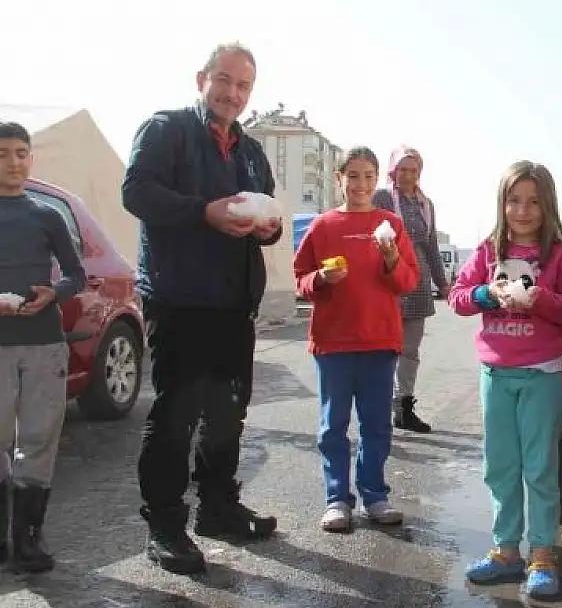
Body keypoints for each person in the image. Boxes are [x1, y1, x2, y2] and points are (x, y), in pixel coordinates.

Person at [121, 42, 281, 575]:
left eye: (243, 86)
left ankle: (218, 507)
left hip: (234, 304)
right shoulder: (165, 130)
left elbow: (269, 213)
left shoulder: (252, 152)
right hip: (179, 298)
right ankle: (165, 526)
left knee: (227, 414)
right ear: (201, 78)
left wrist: (271, 227)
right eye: (224, 80)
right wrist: (203, 212)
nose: (232, 93)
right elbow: (137, 192)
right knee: (176, 415)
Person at [449, 160, 562, 598]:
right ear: (502, 203)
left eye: (532, 202)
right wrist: (488, 293)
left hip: (542, 374)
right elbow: (457, 297)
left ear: (547, 205)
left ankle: (542, 553)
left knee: (540, 467)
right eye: (513, 200)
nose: (522, 211)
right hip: (496, 374)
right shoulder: (489, 250)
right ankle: (506, 550)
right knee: (500, 465)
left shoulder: (560, 256)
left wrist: (540, 299)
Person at [293, 146, 419, 532]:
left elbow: (409, 282)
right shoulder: (323, 226)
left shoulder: (390, 225)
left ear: (377, 180)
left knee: (377, 424)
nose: (360, 184)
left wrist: (392, 259)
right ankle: (336, 499)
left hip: (380, 341)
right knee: (333, 425)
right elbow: (301, 279)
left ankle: (375, 496)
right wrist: (320, 280)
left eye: (368, 176)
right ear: (339, 179)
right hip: (333, 343)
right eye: (353, 176)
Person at [0, 121, 86, 573]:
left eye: (20, 153)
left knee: (37, 439)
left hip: (43, 343)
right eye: (2, 154)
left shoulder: (46, 214)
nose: (12, 162)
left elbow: (75, 274)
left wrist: (55, 293)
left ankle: (29, 538)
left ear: (31, 159)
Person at [371, 147, 449, 433]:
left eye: (413, 170)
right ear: (393, 170)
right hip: (387, 280)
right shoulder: (381, 198)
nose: (407, 175)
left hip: (417, 283)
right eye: (402, 169)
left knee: (410, 350)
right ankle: (378, 407)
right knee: (382, 348)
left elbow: (431, 248)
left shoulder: (425, 204)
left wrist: (443, 284)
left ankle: (403, 408)